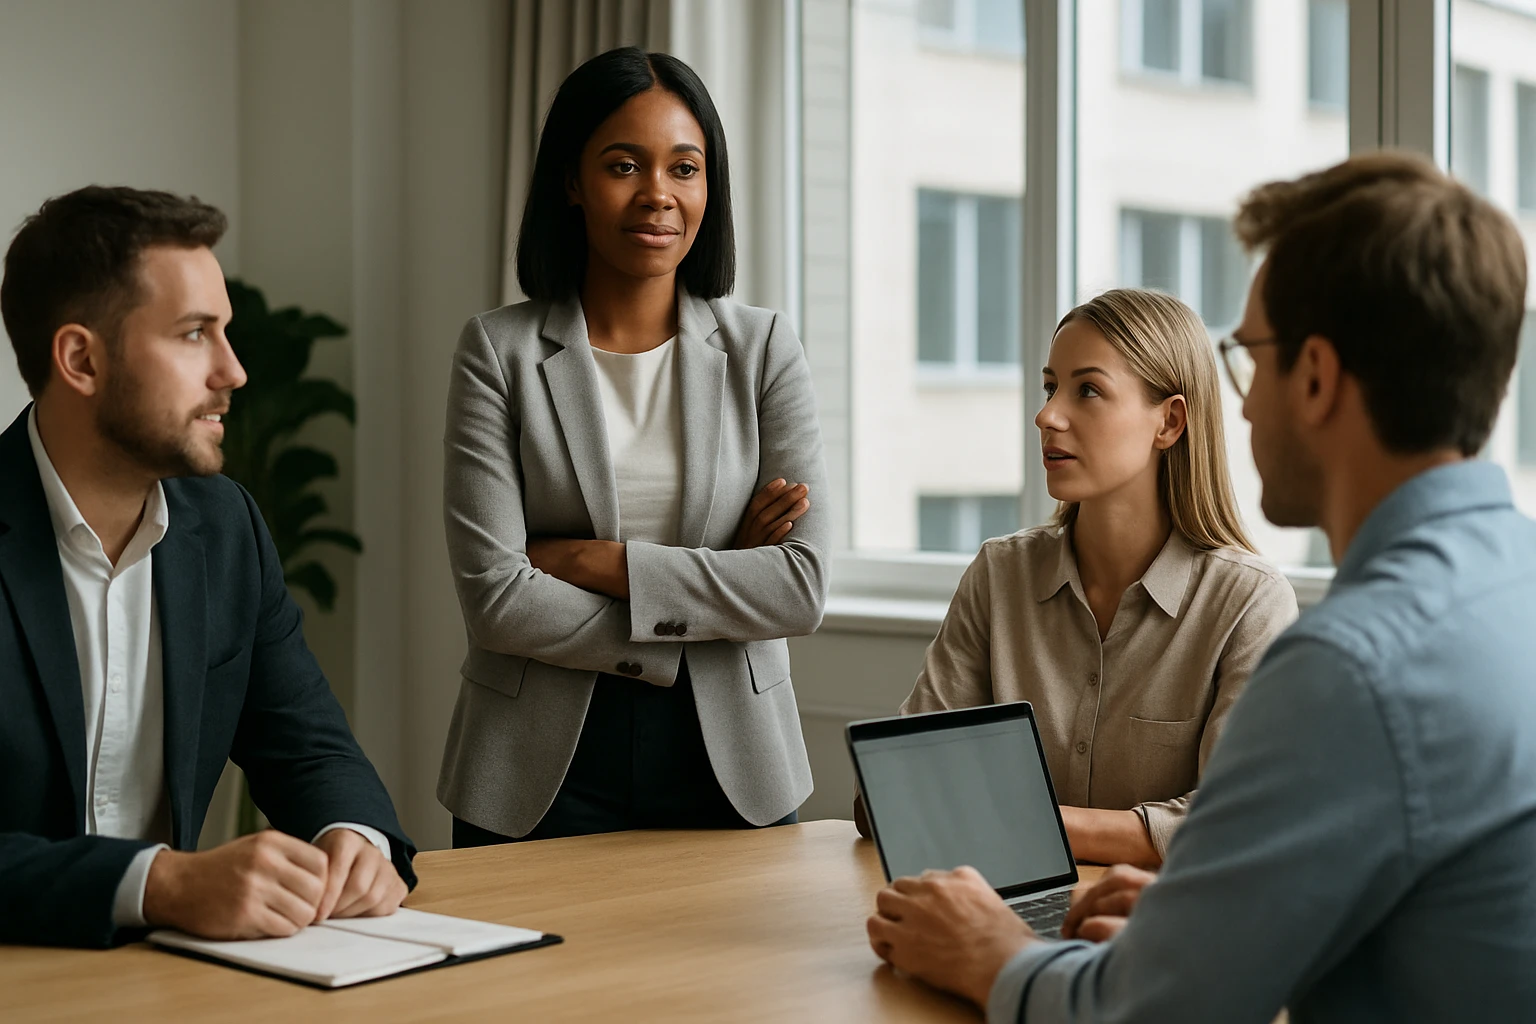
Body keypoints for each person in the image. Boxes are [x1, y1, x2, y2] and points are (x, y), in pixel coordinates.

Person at [866, 151, 1536, 1022]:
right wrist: (1215, 912)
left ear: (1318, 377)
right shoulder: (1509, 588)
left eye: (1248, 359)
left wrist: (995, 954)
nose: (1244, 407)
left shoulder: (1349, 669)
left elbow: (1141, 1014)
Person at [0, 186, 415, 948]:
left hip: (175, 982)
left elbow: (309, 745)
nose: (233, 371)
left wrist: (354, 836)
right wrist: (160, 883)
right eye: (195, 335)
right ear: (81, 359)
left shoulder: (226, 528)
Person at [437, 47, 827, 846]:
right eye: (624, 165)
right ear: (572, 183)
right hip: (535, 770)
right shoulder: (497, 351)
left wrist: (592, 561)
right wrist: (719, 581)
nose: (659, 194)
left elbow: (798, 588)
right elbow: (496, 599)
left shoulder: (764, 349)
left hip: (734, 763)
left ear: (709, 188)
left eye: (685, 168)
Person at [857, 288, 1295, 867]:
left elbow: (1235, 827)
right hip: (991, 910)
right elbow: (888, 796)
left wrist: (1014, 817)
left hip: (1152, 932)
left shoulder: (1248, 604)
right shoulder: (1001, 574)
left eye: (1087, 390)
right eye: (1049, 387)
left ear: (1169, 421)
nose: (1047, 415)